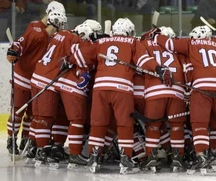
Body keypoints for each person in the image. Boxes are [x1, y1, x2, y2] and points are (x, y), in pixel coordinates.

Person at [68, 18, 171, 173]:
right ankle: (125, 158)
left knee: (98, 123)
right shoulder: (132, 42)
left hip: (100, 87)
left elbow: (80, 56)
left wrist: (69, 60)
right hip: (122, 88)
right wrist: (159, 69)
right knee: (124, 125)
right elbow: (143, 61)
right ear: (129, 32)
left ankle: (94, 157)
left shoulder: (102, 42)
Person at [150, 25, 216, 173]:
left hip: (201, 88)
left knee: (200, 126)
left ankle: (201, 158)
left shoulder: (190, 43)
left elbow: (170, 44)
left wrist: (156, 36)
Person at [30, 20, 94, 168]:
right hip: (50, 78)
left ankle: (41, 150)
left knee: (42, 118)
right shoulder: (76, 39)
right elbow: (80, 59)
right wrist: (83, 72)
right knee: (70, 118)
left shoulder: (61, 34)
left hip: (38, 75)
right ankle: (73, 153)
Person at [5, 1, 65, 158]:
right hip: (21, 79)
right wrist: (14, 50)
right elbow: (20, 42)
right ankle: (11, 139)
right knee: (17, 112)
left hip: (35, 82)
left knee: (32, 115)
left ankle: (26, 140)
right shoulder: (36, 29)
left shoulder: (53, 34)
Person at [139, 26, 188, 171]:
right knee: (177, 126)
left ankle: (151, 158)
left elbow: (140, 59)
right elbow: (187, 68)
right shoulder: (177, 46)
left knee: (153, 126)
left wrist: (147, 35)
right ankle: (177, 159)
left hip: (155, 90)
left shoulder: (145, 44)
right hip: (177, 90)